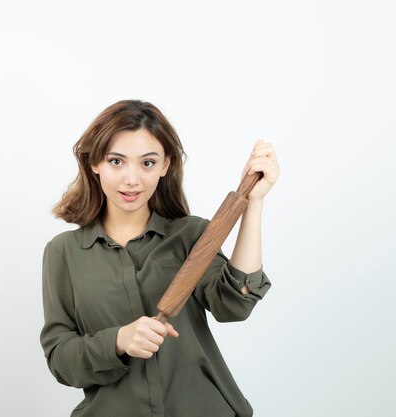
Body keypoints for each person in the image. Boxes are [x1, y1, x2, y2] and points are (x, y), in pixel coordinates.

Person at [40, 99, 279, 417]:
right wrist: (119, 340)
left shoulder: (191, 236)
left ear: (166, 165)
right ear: (94, 162)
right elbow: (61, 359)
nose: (132, 179)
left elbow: (235, 305)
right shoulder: (63, 253)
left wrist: (254, 202)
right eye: (116, 161)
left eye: (147, 163)